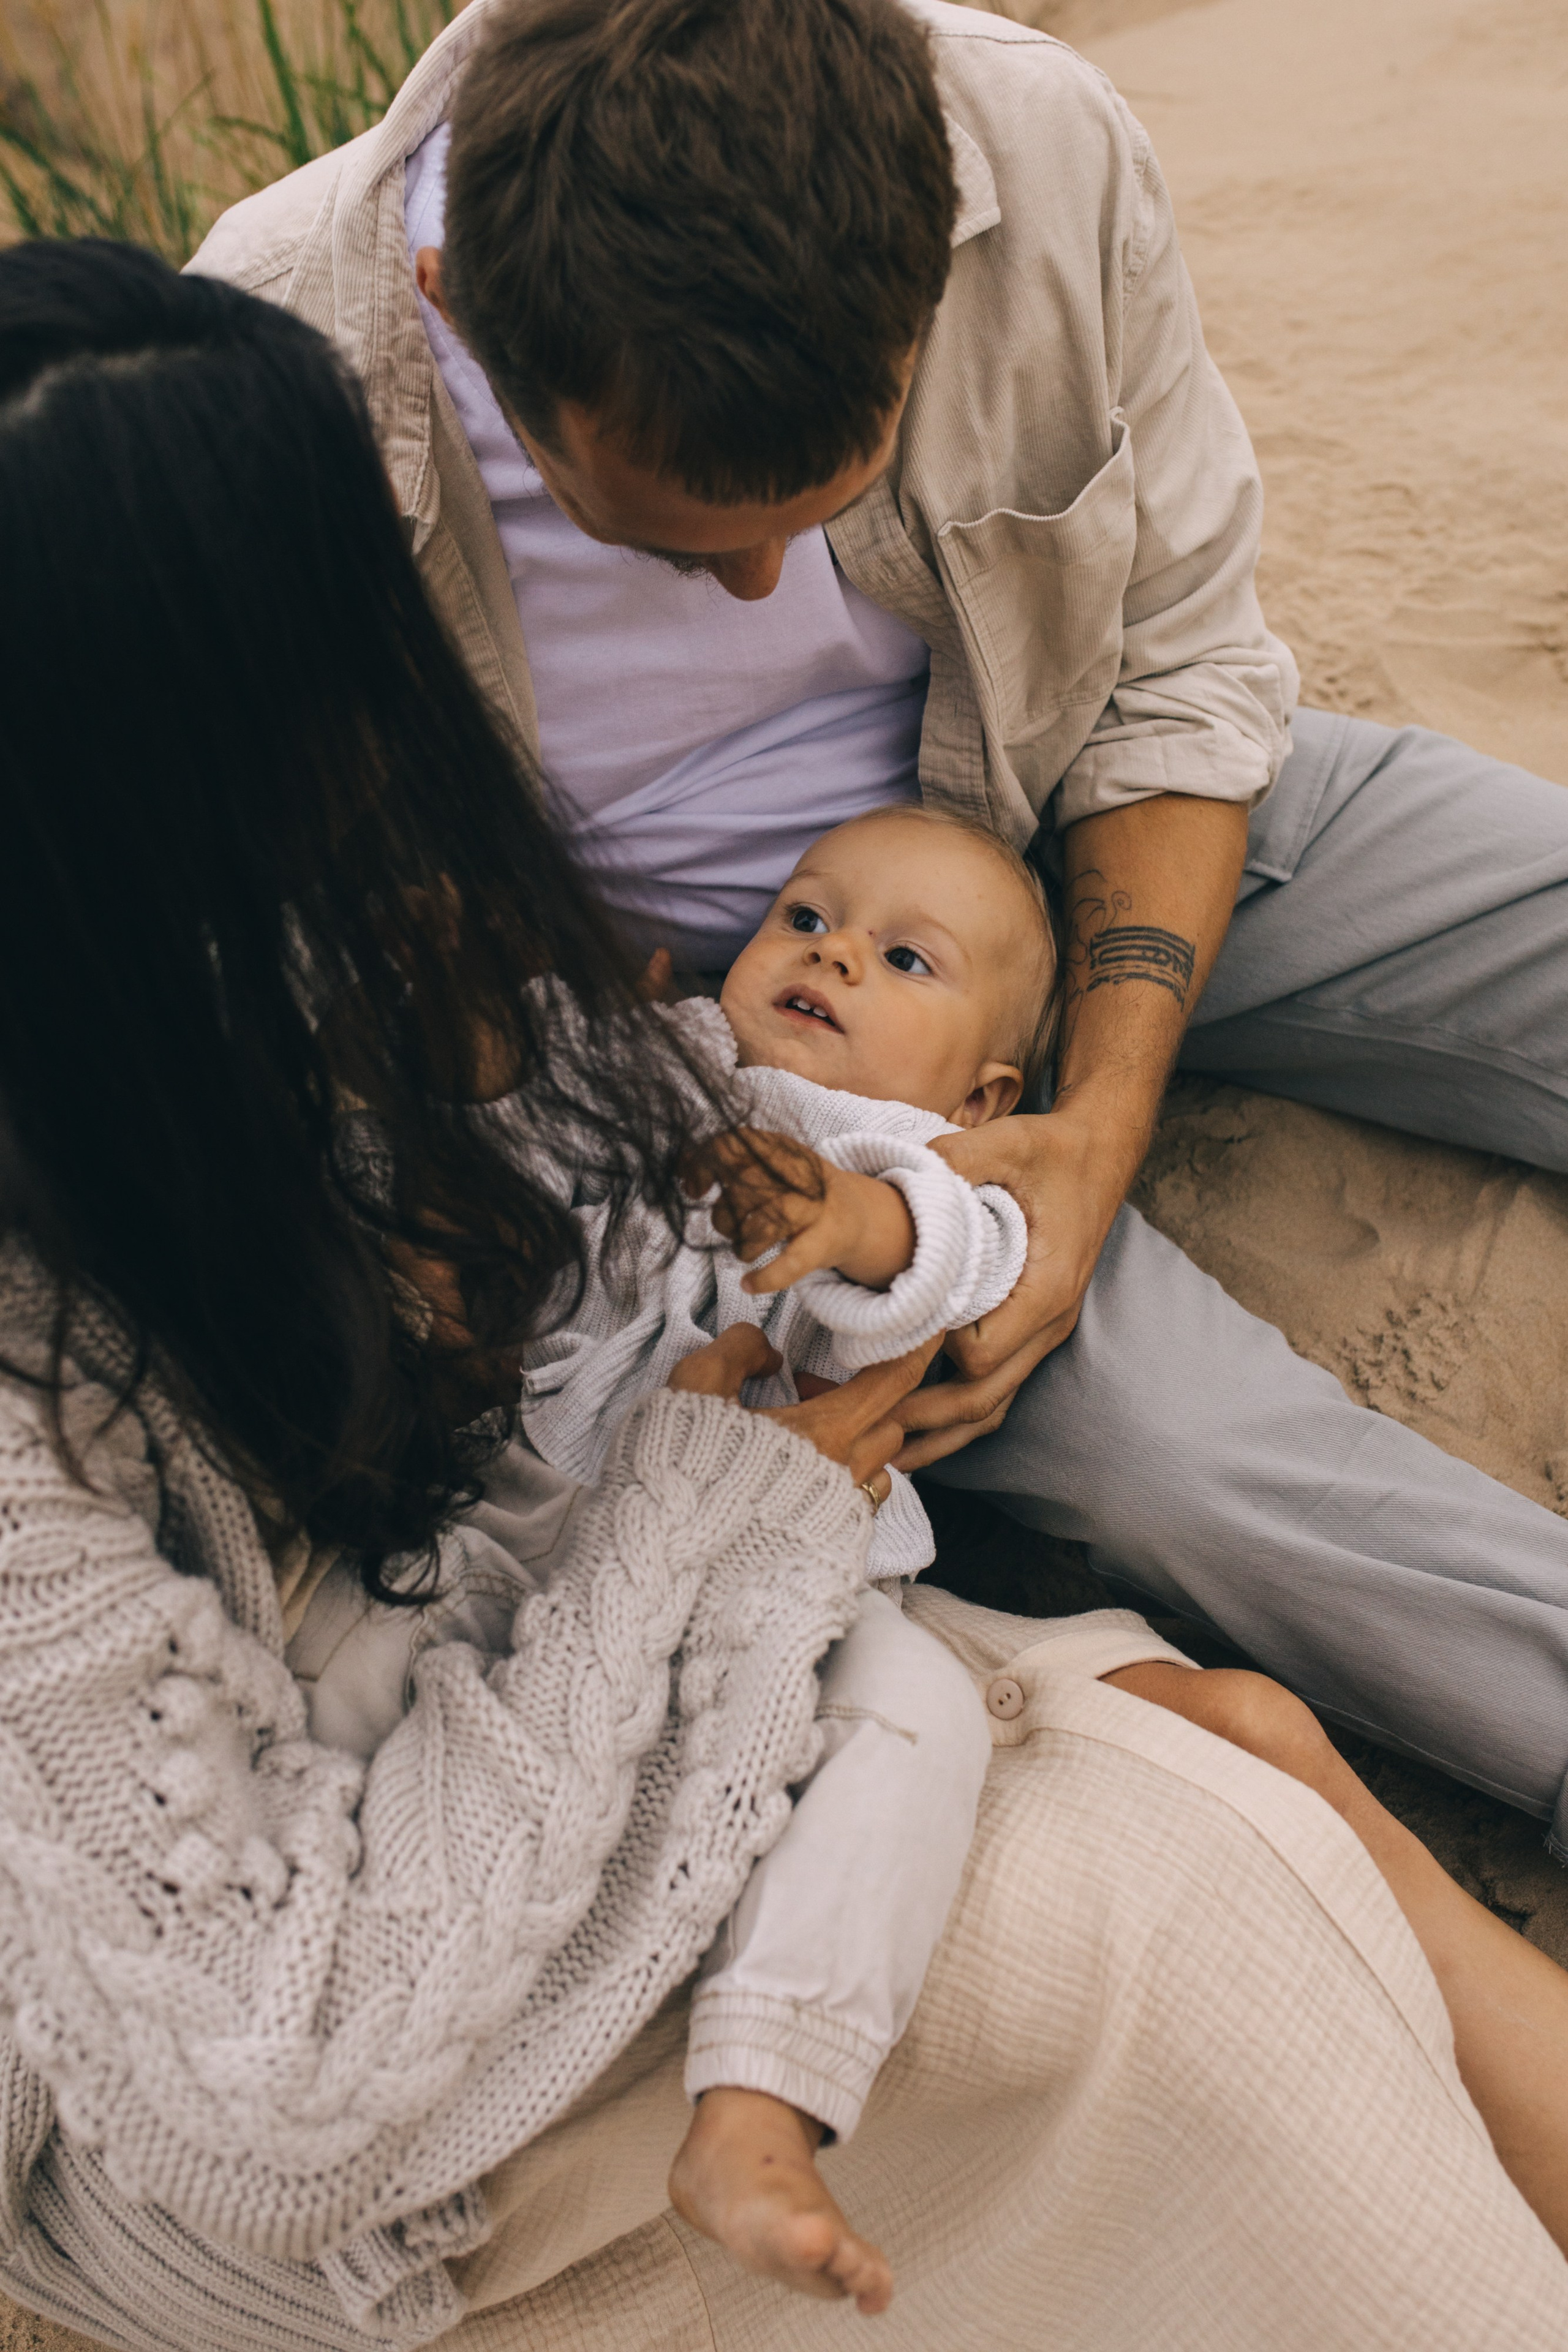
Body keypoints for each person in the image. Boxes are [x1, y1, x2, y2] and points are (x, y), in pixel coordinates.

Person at [6, 239, 1568, 2352]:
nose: (400, 736)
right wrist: (718, 1510)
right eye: (343, 675)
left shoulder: (215, 954)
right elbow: (274, 2092)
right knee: (1207, 1895)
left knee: (1250, 1731)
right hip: (356, 2106)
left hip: (530, 1620)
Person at [191, 0, 1568, 1842]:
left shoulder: (1038, 146)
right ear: (454, 304)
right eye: (681, 545)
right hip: (758, 1055)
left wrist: (1097, 1129)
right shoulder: (269, 359)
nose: (761, 585)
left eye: (820, 512)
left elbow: (1175, 664)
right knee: (1194, 1467)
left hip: (1085, 783)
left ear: (926, 277)